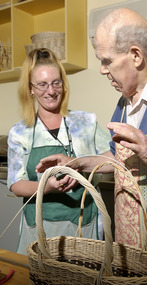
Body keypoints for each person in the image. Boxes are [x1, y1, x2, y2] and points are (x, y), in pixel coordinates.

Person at [36, 8, 147, 285]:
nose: (102, 69)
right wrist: (75, 163)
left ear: (136, 56)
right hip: (133, 249)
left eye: (107, 60)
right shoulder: (124, 104)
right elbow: (117, 158)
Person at [7, 48, 111, 255]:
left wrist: (78, 164)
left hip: (83, 223)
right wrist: (46, 186)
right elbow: (16, 184)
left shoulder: (85, 122)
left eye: (56, 82)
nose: (51, 91)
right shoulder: (20, 132)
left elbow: (113, 162)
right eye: (42, 84)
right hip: (39, 228)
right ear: (30, 89)